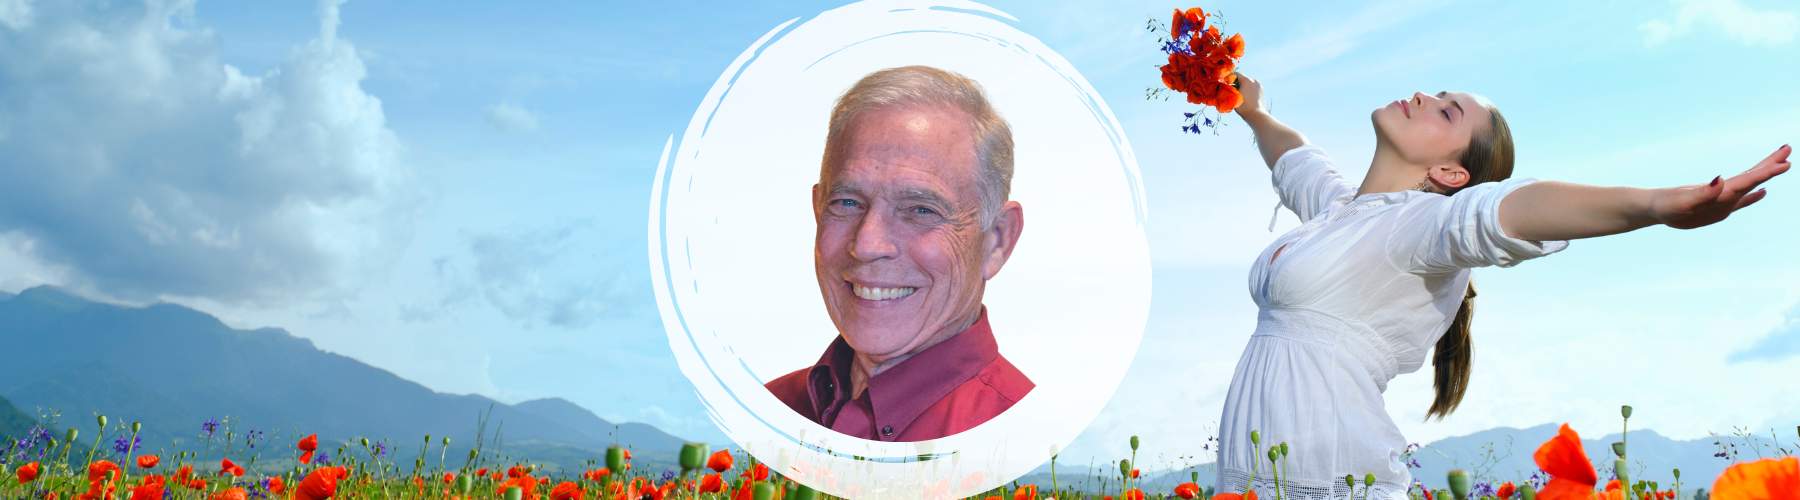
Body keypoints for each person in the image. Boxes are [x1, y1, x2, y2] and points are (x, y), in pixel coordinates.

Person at [1215, 73, 1790, 498]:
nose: (1422, 96)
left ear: (1451, 174)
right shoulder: (1338, 213)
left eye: (1446, 112)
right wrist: (1253, 110)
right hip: (1258, 476)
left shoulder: (1421, 227)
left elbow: (1514, 209)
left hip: (1333, 478)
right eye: (1437, 95)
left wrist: (1657, 205)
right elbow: (1295, 158)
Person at [765, 65, 1033, 442]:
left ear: (998, 240)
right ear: (817, 210)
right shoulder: (768, 413)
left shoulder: (1025, 439)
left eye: (921, 210)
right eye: (847, 203)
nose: (867, 244)